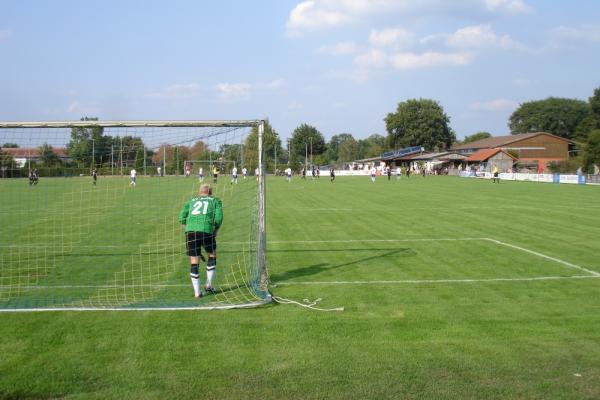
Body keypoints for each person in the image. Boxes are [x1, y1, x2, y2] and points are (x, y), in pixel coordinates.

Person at [179, 183, 223, 298]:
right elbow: (219, 218)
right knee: (212, 255)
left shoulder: (191, 201)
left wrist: (187, 226)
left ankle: (197, 292)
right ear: (210, 192)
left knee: (194, 261)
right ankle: (208, 285)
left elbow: (181, 217)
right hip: (206, 230)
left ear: (199, 192)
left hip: (191, 232)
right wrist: (216, 229)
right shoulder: (215, 200)